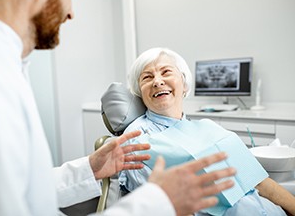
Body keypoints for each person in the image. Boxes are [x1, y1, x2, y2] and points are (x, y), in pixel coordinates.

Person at [0, 0, 237, 215]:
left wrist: (88, 168)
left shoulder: (3, 65)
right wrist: (158, 204)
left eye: (166, 72)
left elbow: (26, 191)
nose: (71, 12)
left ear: (184, 82)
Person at [119, 47, 295, 216]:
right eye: (147, 77)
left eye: (166, 72)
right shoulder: (137, 139)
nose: (157, 81)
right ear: (140, 92)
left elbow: (261, 183)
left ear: (185, 83)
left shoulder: (208, 127)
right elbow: (168, 209)